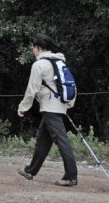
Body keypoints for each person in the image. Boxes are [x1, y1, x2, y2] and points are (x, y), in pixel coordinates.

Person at [17, 33, 78, 187]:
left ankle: (71, 176)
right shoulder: (58, 61)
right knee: (42, 139)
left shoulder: (39, 65)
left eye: (33, 47)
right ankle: (30, 171)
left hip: (51, 106)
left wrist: (23, 107)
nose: (32, 49)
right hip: (58, 104)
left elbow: (32, 89)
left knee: (61, 139)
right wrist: (68, 104)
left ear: (37, 48)